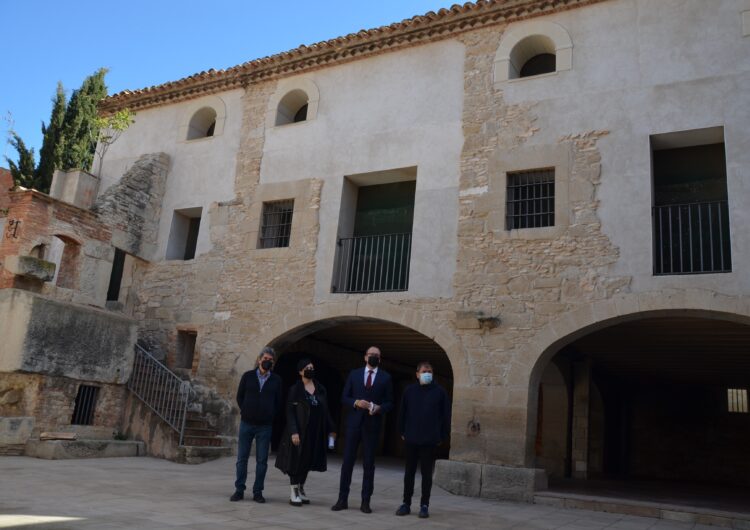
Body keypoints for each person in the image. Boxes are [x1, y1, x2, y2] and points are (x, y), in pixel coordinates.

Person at [331, 346, 394, 514]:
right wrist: (356, 402)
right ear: (365, 357)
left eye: (377, 356)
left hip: (372, 426)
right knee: (347, 463)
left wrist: (377, 407)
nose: (373, 357)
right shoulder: (354, 374)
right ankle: (342, 499)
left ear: (379, 359)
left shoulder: (386, 378)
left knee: (369, 465)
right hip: (353, 424)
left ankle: (365, 502)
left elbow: (390, 403)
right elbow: (344, 397)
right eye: (370, 354)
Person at [275, 358, 337, 506]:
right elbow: (289, 411)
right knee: (296, 461)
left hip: (315, 431)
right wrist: (294, 431)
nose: (310, 369)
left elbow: (325, 410)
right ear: (300, 371)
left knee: (308, 461)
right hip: (299, 431)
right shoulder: (295, 389)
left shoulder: (321, 389)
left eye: (312, 367)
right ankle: (294, 491)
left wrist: (332, 428)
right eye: (307, 368)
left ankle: (301, 488)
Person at [395, 361, 450, 519]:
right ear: (417, 374)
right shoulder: (409, 391)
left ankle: (424, 505)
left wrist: (442, 436)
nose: (428, 374)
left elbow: (445, 415)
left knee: (426, 474)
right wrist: (402, 431)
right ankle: (406, 503)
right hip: (411, 437)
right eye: (425, 371)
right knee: (409, 473)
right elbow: (402, 412)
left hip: (430, 439)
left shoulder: (440, 392)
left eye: (430, 371)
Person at [230, 346, 283, 503]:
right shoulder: (247, 376)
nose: (267, 361)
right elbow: (240, 397)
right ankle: (239, 489)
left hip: (265, 426)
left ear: (273, 363)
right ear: (260, 359)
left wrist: (269, 415)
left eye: (270, 360)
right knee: (242, 459)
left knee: (262, 461)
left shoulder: (277, 380)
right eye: (265, 359)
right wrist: (246, 411)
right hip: (247, 423)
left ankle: (258, 491)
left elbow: (278, 403)